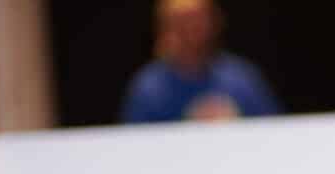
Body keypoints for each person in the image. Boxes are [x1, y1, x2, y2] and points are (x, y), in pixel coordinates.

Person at [120, 0, 280, 124]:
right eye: (181, 21)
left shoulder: (241, 78)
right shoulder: (148, 88)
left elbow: (273, 131)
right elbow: (133, 143)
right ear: (164, 28)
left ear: (215, 22)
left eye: (199, 19)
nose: (191, 29)